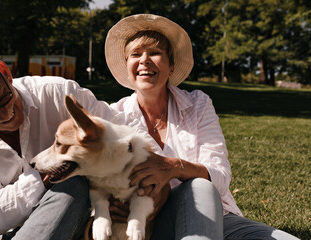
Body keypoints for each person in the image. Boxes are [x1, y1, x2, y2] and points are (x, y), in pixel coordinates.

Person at [104, 14, 299, 240]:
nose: (144, 60)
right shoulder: (114, 116)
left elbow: (221, 176)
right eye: (135, 55)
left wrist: (174, 167)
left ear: (171, 65)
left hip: (215, 216)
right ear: (127, 65)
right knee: (200, 186)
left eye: (155, 53)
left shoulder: (198, 104)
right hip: (151, 224)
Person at [0, 47, 142, 240]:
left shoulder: (58, 93)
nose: (4, 115)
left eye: (2, 97)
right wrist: (43, 175)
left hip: (63, 216)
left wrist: (166, 169)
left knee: (74, 183)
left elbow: (130, 134)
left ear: (6, 73)